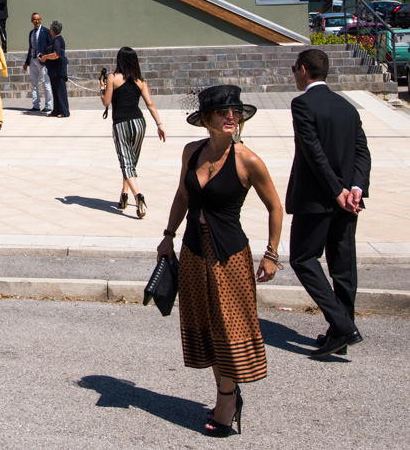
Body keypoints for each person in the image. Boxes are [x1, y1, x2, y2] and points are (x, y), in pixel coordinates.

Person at [156, 85, 283, 437]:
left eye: (235, 112)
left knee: (230, 330)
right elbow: (183, 194)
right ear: (207, 119)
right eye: (223, 112)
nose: (231, 117)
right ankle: (225, 392)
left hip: (231, 259)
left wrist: (271, 254)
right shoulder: (191, 152)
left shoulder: (248, 160)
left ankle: (227, 398)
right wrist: (168, 236)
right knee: (208, 328)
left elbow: (276, 207)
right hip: (193, 253)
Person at [286, 48, 372, 358]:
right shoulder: (347, 107)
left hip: (318, 199)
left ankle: (343, 326)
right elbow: (362, 152)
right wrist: (356, 188)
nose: (294, 74)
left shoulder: (302, 104)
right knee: (342, 264)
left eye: (295, 69)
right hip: (349, 200)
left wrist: (337, 190)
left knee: (303, 259)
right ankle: (341, 329)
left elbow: (313, 153)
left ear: (305, 71)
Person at [100, 47, 165, 218]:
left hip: (121, 123)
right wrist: (159, 124)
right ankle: (124, 194)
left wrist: (102, 88)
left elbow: (106, 102)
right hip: (139, 123)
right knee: (131, 160)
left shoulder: (112, 78)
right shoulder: (141, 81)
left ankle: (138, 197)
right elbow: (150, 104)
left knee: (126, 160)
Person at [24, 13, 53, 114]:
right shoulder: (31, 33)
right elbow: (30, 48)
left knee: (45, 83)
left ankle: (48, 105)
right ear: (32, 21)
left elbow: (51, 45)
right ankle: (36, 105)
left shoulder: (46, 31)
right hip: (33, 60)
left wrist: (46, 56)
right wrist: (27, 62)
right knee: (33, 83)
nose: (37, 22)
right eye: (35, 20)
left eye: (39, 20)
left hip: (42, 61)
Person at [40, 21, 69, 117]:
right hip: (53, 70)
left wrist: (46, 57)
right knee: (55, 90)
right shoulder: (55, 40)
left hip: (58, 69)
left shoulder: (57, 40)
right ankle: (56, 110)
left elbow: (56, 55)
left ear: (52, 30)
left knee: (60, 91)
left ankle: (65, 111)